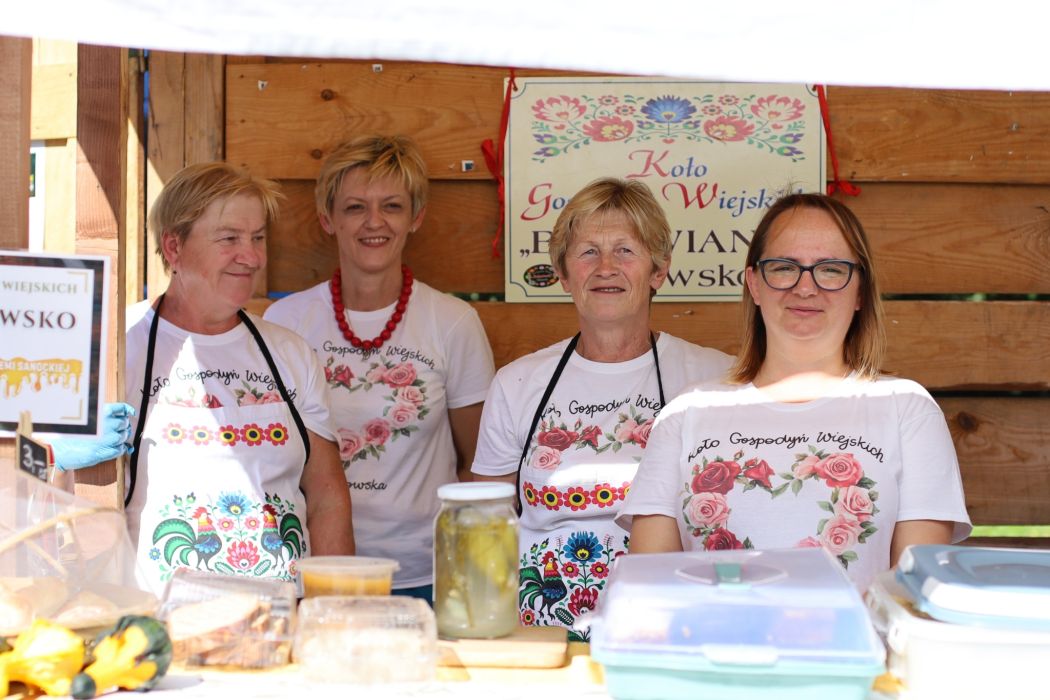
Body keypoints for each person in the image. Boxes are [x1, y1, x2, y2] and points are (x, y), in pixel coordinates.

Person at [620, 193, 971, 591]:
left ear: (860, 291)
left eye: (831, 269)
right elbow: (648, 587)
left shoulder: (908, 409)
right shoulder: (687, 412)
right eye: (784, 268)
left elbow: (913, 592)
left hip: (853, 635)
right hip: (712, 632)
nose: (805, 288)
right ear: (754, 284)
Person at [53, 162, 354, 595]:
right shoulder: (117, 349)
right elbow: (45, 494)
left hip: (279, 619)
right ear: (174, 247)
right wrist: (55, 454)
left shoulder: (290, 354)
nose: (251, 257)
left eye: (257, 238)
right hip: (157, 619)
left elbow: (326, 499)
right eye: (229, 239)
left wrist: (333, 610)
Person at [471, 177, 732, 640]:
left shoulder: (713, 378)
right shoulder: (517, 384)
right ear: (564, 273)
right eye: (588, 251)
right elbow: (484, 529)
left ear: (658, 270)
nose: (605, 267)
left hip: (669, 632)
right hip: (540, 638)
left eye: (625, 251)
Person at [264, 135, 494, 601]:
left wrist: (470, 573)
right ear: (327, 219)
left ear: (416, 217)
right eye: (355, 208)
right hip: (314, 568)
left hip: (428, 572)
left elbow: (479, 463)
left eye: (392, 206)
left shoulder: (453, 322)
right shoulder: (285, 322)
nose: (374, 222)